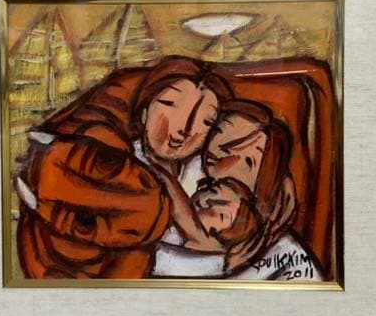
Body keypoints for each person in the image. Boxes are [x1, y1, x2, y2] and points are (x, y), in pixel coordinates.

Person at [15, 56, 233, 279]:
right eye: (170, 105)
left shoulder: (204, 176)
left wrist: (170, 189)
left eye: (206, 121)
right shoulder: (117, 162)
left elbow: (212, 257)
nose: (185, 129)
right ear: (145, 111)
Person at [152, 99, 322, 280]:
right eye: (217, 133)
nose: (216, 149)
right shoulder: (187, 175)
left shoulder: (287, 257)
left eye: (231, 147)